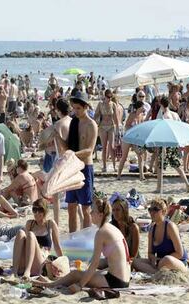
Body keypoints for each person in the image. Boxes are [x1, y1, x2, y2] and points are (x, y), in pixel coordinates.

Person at [33, 196, 131, 293]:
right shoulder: (111, 228)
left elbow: (95, 264)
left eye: (93, 211)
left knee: (75, 274)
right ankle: (57, 282)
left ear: (101, 215)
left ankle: (50, 284)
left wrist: (80, 285)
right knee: (86, 272)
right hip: (125, 277)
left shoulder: (102, 232)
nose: (90, 213)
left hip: (116, 281)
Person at [66, 92, 98, 232]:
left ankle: (85, 238)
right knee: (71, 206)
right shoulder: (73, 122)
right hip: (72, 167)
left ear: (85, 107)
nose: (76, 111)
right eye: (74, 108)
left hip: (85, 167)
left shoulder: (91, 124)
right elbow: (67, 145)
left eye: (78, 108)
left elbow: (89, 150)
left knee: (86, 207)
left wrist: (72, 155)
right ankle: (73, 237)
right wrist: (56, 135)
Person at [133, 198, 188, 274]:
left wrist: (161, 260)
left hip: (177, 262)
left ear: (164, 211)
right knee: (135, 262)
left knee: (166, 260)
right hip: (160, 263)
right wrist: (153, 259)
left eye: (155, 209)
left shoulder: (170, 226)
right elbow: (150, 253)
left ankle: (155, 272)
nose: (152, 212)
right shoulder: (152, 229)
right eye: (150, 209)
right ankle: (157, 273)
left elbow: (179, 253)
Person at [12, 198, 62, 279]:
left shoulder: (50, 224)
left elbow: (57, 246)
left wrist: (63, 262)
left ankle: (27, 271)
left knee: (31, 235)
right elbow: (23, 243)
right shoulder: (30, 223)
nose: (37, 213)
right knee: (20, 233)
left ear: (45, 211)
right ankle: (14, 271)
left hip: (41, 261)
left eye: (40, 210)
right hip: (27, 259)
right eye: (34, 209)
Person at [156, 96, 189, 193]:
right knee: (176, 164)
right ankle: (187, 183)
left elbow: (162, 132)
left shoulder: (163, 116)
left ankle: (159, 187)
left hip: (165, 143)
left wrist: (163, 148)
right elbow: (179, 128)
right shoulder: (174, 114)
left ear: (161, 105)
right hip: (174, 143)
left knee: (159, 166)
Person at [116, 100, 146, 181]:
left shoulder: (141, 115)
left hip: (136, 137)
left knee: (140, 156)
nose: (144, 108)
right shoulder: (132, 115)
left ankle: (141, 176)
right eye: (142, 106)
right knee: (124, 157)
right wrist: (135, 129)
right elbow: (127, 126)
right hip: (128, 137)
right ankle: (118, 175)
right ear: (139, 107)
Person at [94, 89, 119, 172]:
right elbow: (95, 115)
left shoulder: (113, 104)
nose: (109, 99)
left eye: (110, 97)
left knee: (112, 147)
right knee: (104, 147)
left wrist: (118, 128)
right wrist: (98, 115)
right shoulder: (100, 104)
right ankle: (104, 166)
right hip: (102, 126)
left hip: (111, 126)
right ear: (105, 96)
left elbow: (116, 118)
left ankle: (114, 166)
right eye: (108, 97)